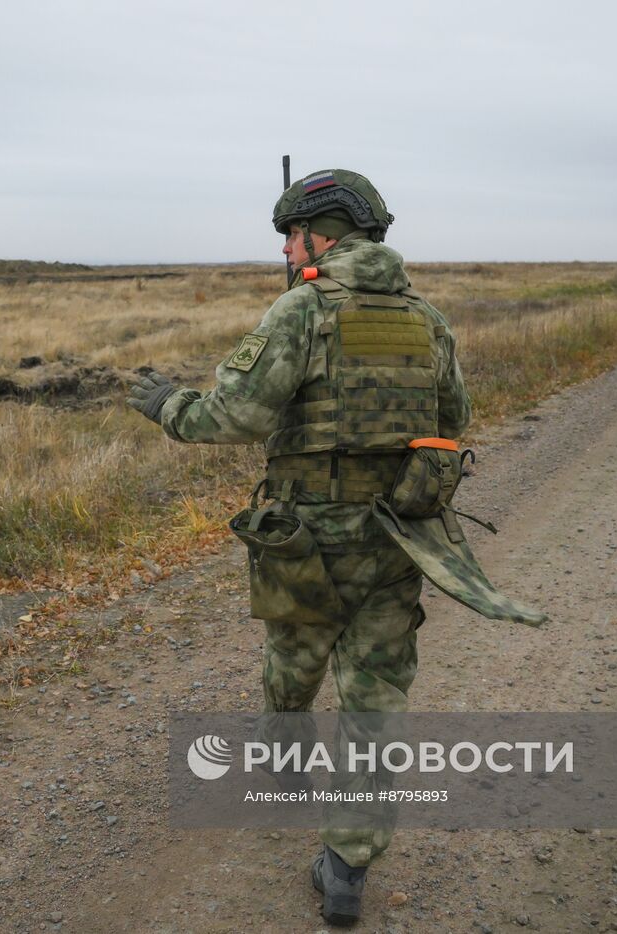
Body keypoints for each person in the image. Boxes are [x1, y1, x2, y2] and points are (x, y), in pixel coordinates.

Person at [127, 169, 471, 926]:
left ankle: (285, 768)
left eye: (292, 234)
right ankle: (346, 871)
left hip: (304, 539)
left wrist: (166, 406)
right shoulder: (429, 319)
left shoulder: (301, 310)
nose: (286, 248)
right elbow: (456, 418)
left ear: (325, 235)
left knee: (293, 656)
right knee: (375, 702)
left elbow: (237, 416)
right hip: (396, 540)